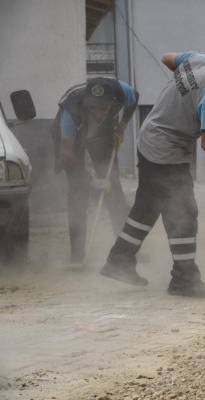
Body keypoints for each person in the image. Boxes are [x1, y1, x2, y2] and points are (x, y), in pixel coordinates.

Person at [100, 44, 205, 298]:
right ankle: (184, 279)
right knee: (184, 211)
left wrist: (185, 91)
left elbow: (167, 58)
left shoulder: (199, 59)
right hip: (166, 151)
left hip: (149, 138)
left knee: (147, 207)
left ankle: (118, 260)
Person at [55, 77, 139, 263]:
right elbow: (67, 155)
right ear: (86, 102)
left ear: (112, 102)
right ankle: (77, 256)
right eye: (93, 107)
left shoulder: (122, 92)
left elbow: (134, 99)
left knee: (114, 190)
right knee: (78, 193)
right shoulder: (71, 109)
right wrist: (90, 180)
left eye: (102, 108)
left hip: (102, 134)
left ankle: (124, 251)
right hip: (72, 138)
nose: (97, 112)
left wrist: (122, 126)